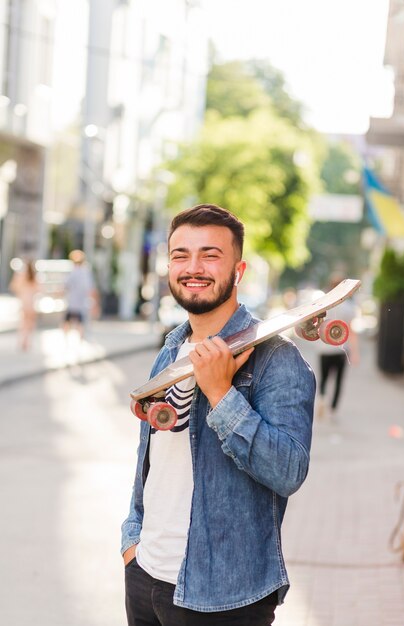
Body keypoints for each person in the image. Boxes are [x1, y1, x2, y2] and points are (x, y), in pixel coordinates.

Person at [121, 204, 316, 626]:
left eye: (210, 255)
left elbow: (289, 471)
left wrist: (221, 393)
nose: (193, 267)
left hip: (225, 596)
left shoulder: (276, 360)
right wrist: (132, 540)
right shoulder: (171, 348)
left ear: (238, 270)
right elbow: (151, 463)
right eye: (180, 255)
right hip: (145, 575)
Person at [316, 273, 360, 420]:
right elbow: (351, 331)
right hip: (341, 350)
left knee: (324, 378)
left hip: (324, 349)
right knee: (338, 381)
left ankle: (321, 398)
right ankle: (333, 409)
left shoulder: (323, 304)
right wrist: (354, 353)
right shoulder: (348, 306)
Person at [63, 249, 99, 339]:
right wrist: (96, 303)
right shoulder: (86, 273)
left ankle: (67, 341)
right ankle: (79, 342)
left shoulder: (73, 272)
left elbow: (65, 286)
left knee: (67, 323)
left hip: (72, 303)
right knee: (80, 324)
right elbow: (90, 289)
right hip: (81, 304)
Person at [9, 260, 39, 351]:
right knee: (30, 324)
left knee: (23, 323)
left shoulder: (20, 275)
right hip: (31, 303)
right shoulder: (34, 276)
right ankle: (27, 341)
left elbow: (13, 287)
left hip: (23, 302)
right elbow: (38, 289)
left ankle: (22, 340)